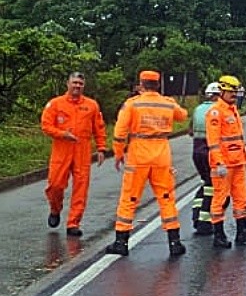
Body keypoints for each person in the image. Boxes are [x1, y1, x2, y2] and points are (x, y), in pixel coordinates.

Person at [105, 69, 189, 258]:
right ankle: (174, 242)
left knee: (129, 198)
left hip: (138, 153)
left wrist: (118, 153)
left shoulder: (132, 104)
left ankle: (121, 242)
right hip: (161, 154)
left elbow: (120, 131)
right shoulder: (167, 103)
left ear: (141, 85)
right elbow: (183, 115)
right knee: (166, 198)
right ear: (158, 85)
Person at [40, 72, 108, 238]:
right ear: (68, 83)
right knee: (55, 185)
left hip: (82, 150)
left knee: (81, 188)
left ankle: (73, 223)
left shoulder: (91, 105)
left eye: (80, 83)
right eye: (74, 82)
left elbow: (99, 128)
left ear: (83, 86)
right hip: (62, 149)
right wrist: (62, 134)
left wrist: (101, 148)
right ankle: (55, 209)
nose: (77, 86)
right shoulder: (55, 104)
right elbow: (46, 125)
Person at [206, 74, 246, 249]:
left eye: (235, 92)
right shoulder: (216, 112)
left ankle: (242, 232)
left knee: (242, 198)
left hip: (238, 162)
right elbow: (213, 141)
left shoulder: (233, 110)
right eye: (231, 92)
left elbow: (238, 139)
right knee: (221, 199)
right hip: (224, 165)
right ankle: (218, 235)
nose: (234, 95)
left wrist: (245, 159)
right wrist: (219, 163)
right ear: (221, 91)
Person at [189, 81, 221, 236]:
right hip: (210, 151)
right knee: (212, 187)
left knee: (206, 183)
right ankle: (204, 222)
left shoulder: (198, 109)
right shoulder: (217, 110)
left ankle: (197, 213)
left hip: (197, 151)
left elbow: (190, 131)